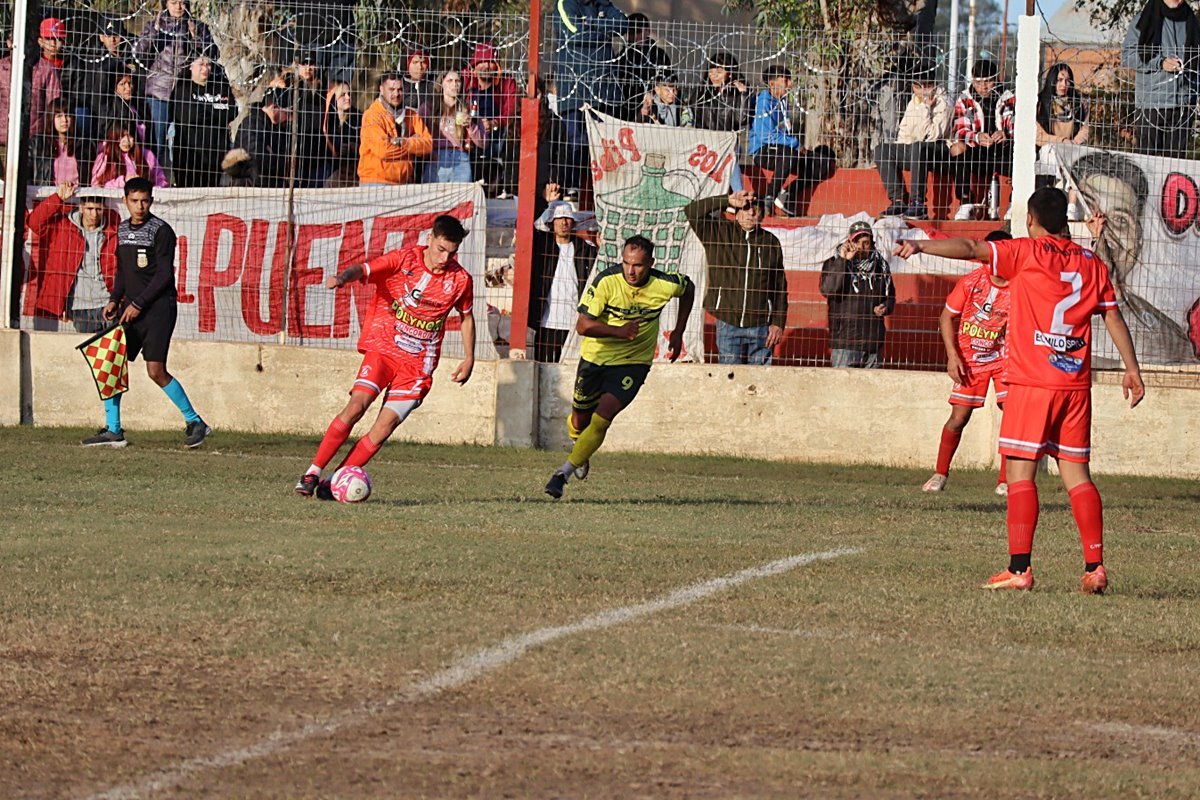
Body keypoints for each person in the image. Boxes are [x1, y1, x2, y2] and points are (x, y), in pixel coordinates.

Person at [895, 186, 1145, 594]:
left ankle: (1019, 569)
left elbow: (972, 248)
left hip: (1031, 382)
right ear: (1065, 219)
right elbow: (1113, 317)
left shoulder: (1025, 254)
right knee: (1077, 475)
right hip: (1075, 385)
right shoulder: (1091, 263)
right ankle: (1095, 565)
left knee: (1019, 471)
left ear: (1030, 220)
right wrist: (1131, 369)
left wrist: (919, 246)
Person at [293, 215, 476, 498]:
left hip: (418, 366)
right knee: (356, 406)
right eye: (441, 249)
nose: (444, 258)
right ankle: (312, 472)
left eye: (451, 252)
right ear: (430, 239)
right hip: (384, 348)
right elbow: (363, 269)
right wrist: (342, 278)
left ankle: (334, 482)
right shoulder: (403, 259)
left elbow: (466, 317)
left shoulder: (460, 280)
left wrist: (469, 357)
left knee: (384, 427)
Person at [544, 235, 695, 499]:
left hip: (633, 363)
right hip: (595, 358)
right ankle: (581, 448)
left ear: (651, 264)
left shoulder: (665, 284)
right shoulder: (606, 281)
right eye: (626, 263)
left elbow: (689, 288)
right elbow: (582, 326)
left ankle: (562, 473)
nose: (631, 270)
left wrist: (679, 331)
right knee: (579, 419)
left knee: (603, 417)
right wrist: (618, 330)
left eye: (638, 265)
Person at [83, 176, 212, 449]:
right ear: (125, 201)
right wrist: (115, 299)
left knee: (156, 371)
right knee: (111, 362)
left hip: (158, 309)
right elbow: (122, 271)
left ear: (151, 201)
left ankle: (196, 422)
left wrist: (138, 303)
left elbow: (164, 275)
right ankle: (113, 429)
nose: (140, 206)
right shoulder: (122, 230)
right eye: (134, 201)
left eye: (144, 201)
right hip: (131, 307)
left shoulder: (161, 231)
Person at [1069, 150, 1199, 364]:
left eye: (1120, 221)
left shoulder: (1168, 342)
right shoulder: (1053, 307)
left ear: (1138, 239)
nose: (1103, 229)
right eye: (1090, 210)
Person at [922, 229, 1012, 494]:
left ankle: (1005, 481)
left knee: (1013, 413)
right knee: (959, 418)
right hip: (970, 358)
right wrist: (952, 356)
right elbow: (946, 317)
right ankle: (940, 474)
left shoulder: (1021, 285)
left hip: (1003, 358)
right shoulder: (972, 281)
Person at [685, 190, 786, 364]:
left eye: (755, 208)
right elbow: (692, 211)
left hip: (761, 326)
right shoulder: (718, 232)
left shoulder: (771, 241)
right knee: (730, 381)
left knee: (760, 384)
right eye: (745, 207)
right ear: (737, 210)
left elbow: (779, 287)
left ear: (761, 213)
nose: (751, 212)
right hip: (728, 323)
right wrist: (726, 200)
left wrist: (778, 322)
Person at [550, 0, 627, 192]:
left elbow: (623, 24)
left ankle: (600, 188)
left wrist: (590, 23)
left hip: (602, 91)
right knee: (576, 143)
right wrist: (604, 29)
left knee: (603, 144)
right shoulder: (564, 3)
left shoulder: (603, 3)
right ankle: (573, 187)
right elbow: (574, 33)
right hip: (574, 90)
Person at [27, 182, 119, 333]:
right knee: (89, 354)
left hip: (107, 302)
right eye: (90, 209)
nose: (94, 214)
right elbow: (34, 222)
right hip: (80, 306)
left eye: (98, 209)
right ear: (81, 207)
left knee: (115, 354)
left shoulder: (113, 230)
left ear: (105, 209)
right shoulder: (63, 226)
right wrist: (58, 198)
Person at [134, 0, 217, 165]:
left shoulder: (196, 26)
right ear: (166, 4)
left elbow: (213, 54)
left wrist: (196, 37)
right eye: (174, 2)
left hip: (184, 91)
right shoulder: (156, 25)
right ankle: (154, 178)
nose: (179, 7)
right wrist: (155, 32)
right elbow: (137, 52)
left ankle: (181, 179)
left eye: (182, 2)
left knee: (185, 140)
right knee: (157, 141)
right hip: (159, 91)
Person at [749, 65, 836, 217]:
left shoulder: (782, 103)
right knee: (788, 154)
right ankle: (769, 198)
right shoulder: (764, 102)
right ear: (772, 83)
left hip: (785, 150)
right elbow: (765, 135)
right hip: (763, 150)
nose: (790, 84)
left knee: (821, 162)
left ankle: (788, 194)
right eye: (786, 80)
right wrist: (795, 144)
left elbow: (783, 131)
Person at [1122, 0, 1200, 156]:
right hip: (1151, 105)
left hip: (1183, 107)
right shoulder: (1143, 20)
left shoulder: (1192, 22)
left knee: (1175, 169)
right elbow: (1128, 56)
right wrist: (1160, 63)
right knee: (1148, 166)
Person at [876, 62, 951, 221]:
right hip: (917, 152)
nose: (923, 92)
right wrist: (894, 154)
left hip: (938, 151)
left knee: (919, 146)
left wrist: (926, 108)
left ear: (934, 85)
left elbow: (932, 136)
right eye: (918, 87)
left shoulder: (942, 102)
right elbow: (904, 133)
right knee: (882, 149)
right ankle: (898, 201)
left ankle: (918, 203)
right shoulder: (913, 103)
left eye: (927, 86)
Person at [820, 220, 895, 368]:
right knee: (842, 389)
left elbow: (890, 296)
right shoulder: (833, 263)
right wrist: (843, 260)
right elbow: (829, 290)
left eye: (866, 242)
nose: (861, 247)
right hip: (845, 343)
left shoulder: (881, 267)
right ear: (849, 242)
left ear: (872, 244)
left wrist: (885, 307)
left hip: (873, 343)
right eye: (856, 241)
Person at [531, 195, 597, 362]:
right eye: (559, 219)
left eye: (567, 218)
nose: (563, 223)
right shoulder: (543, 245)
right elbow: (531, 225)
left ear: (573, 223)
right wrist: (547, 203)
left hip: (574, 322)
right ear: (552, 222)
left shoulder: (585, 249)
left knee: (571, 367)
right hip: (547, 321)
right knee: (544, 364)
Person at [949, 58, 1015, 220]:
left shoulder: (1008, 98)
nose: (983, 87)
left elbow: (1017, 125)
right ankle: (965, 202)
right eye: (978, 83)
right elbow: (959, 131)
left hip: (1003, 152)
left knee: (1024, 154)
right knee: (958, 148)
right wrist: (977, 137)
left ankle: (1015, 203)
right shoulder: (964, 99)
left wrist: (1005, 134)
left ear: (996, 79)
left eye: (988, 82)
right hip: (977, 152)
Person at [169, 52, 235, 188]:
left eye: (208, 65)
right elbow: (188, 116)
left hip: (216, 155)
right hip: (189, 157)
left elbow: (230, 113)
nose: (205, 69)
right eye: (201, 64)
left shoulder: (221, 86)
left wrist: (204, 111)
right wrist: (215, 110)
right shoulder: (183, 89)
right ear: (191, 67)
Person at [464, 43, 520, 197]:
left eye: (490, 62)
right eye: (481, 62)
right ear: (474, 66)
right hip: (469, 136)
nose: (486, 66)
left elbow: (510, 110)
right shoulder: (467, 84)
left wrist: (494, 123)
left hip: (496, 135)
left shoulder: (506, 84)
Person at [358, 71, 432, 186]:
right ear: (381, 90)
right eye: (391, 90)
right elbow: (383, 151)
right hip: (375, 182)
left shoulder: (411, 115)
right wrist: (413, 146)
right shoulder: (372, 115)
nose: (396, 94)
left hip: (403, 183)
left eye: (400, 89)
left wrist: (403, 142)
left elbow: (428, 145)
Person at [691, 51, 751, 191]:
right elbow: (695, 117)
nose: (714, 75)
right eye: (711, 71)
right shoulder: (701, 92)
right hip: (706, 142)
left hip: (728, 142)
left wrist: (743, 96)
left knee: (730, 155)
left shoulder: (736, 93)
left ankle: (737, 195)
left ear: (730, 73)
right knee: (729, 158)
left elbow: (741, 119)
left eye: (719, 71)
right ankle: (738, 194)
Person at [421, 70, 485, 184]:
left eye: (457, 81)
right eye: (450, 80)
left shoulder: (469, 108)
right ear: (441, 84)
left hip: (461, 159)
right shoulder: (429, 107)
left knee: (462, 200)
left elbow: (483, 142)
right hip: (436, 158)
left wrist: (471, 125)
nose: (454, 84)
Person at [224, 88, 289, 187]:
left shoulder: (274, 127)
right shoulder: (252, 123)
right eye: (288, 113)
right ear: (274, 108)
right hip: (249, 185)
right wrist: (283, 163)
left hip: (263, 182)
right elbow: (258, 157)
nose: (290, 117)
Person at [616, 12, 671, 120]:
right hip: (625, 107)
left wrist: (652, 93)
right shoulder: (623, 56)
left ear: (648, 31)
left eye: (638, 31)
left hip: (652, 106)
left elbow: (667, 81)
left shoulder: (658, 55)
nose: (634, 36)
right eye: (631, 32)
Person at [91, 123, 169, 188]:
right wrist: (123, 181)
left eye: (130, 136)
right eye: (121, 137)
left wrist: (152, 190)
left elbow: (161, 179)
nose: (127, 141)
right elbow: (96, 184)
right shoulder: (105, 157)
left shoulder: (147, 155)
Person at [31, 99, 86, 186]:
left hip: (76, 197)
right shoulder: (38, 143)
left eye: (67, 115)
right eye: (59, 116)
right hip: (48, 197)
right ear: (51, 118)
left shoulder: (83, 145)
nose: (64, 120)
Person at [1035, 62, 1090, 147]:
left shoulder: (1079, 103)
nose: (1064, 85)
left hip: (1072, 152)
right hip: (1047, 152)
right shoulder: (1039, 103)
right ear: (1052, 80)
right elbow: (1038, 135)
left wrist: (1073, 144)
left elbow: (1085, 129)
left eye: (1067, 80)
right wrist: (1062, 142)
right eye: (1059, 80)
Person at [30, 17, 65, 138]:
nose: (53, 43)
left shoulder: (73, 65)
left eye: (58, 39)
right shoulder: (34, 66)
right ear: (40, 41)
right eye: (49, 38)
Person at [321, 81, 360, 187]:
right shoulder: (329, 121)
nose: (348, 98)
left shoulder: (359, 118)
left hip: (354, 168)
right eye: (343, 95)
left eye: (349, 94)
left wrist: (352, 147)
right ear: (335, 98)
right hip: (332, 166)